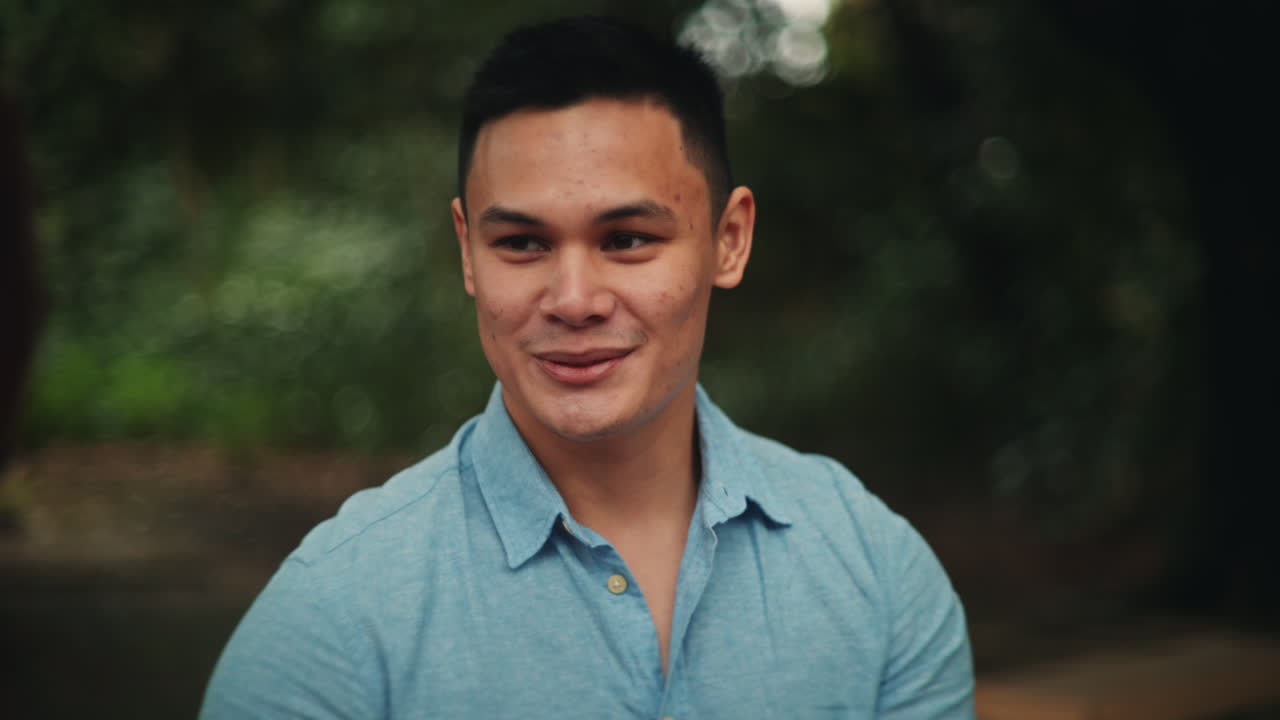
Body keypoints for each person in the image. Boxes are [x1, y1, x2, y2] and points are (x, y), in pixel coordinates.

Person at [201, 16, 974, 719]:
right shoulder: (337, 613)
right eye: (523, 244)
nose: (573, 300)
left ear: (729, 239)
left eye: (629, 238)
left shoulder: (875, 575)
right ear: (468, 250)